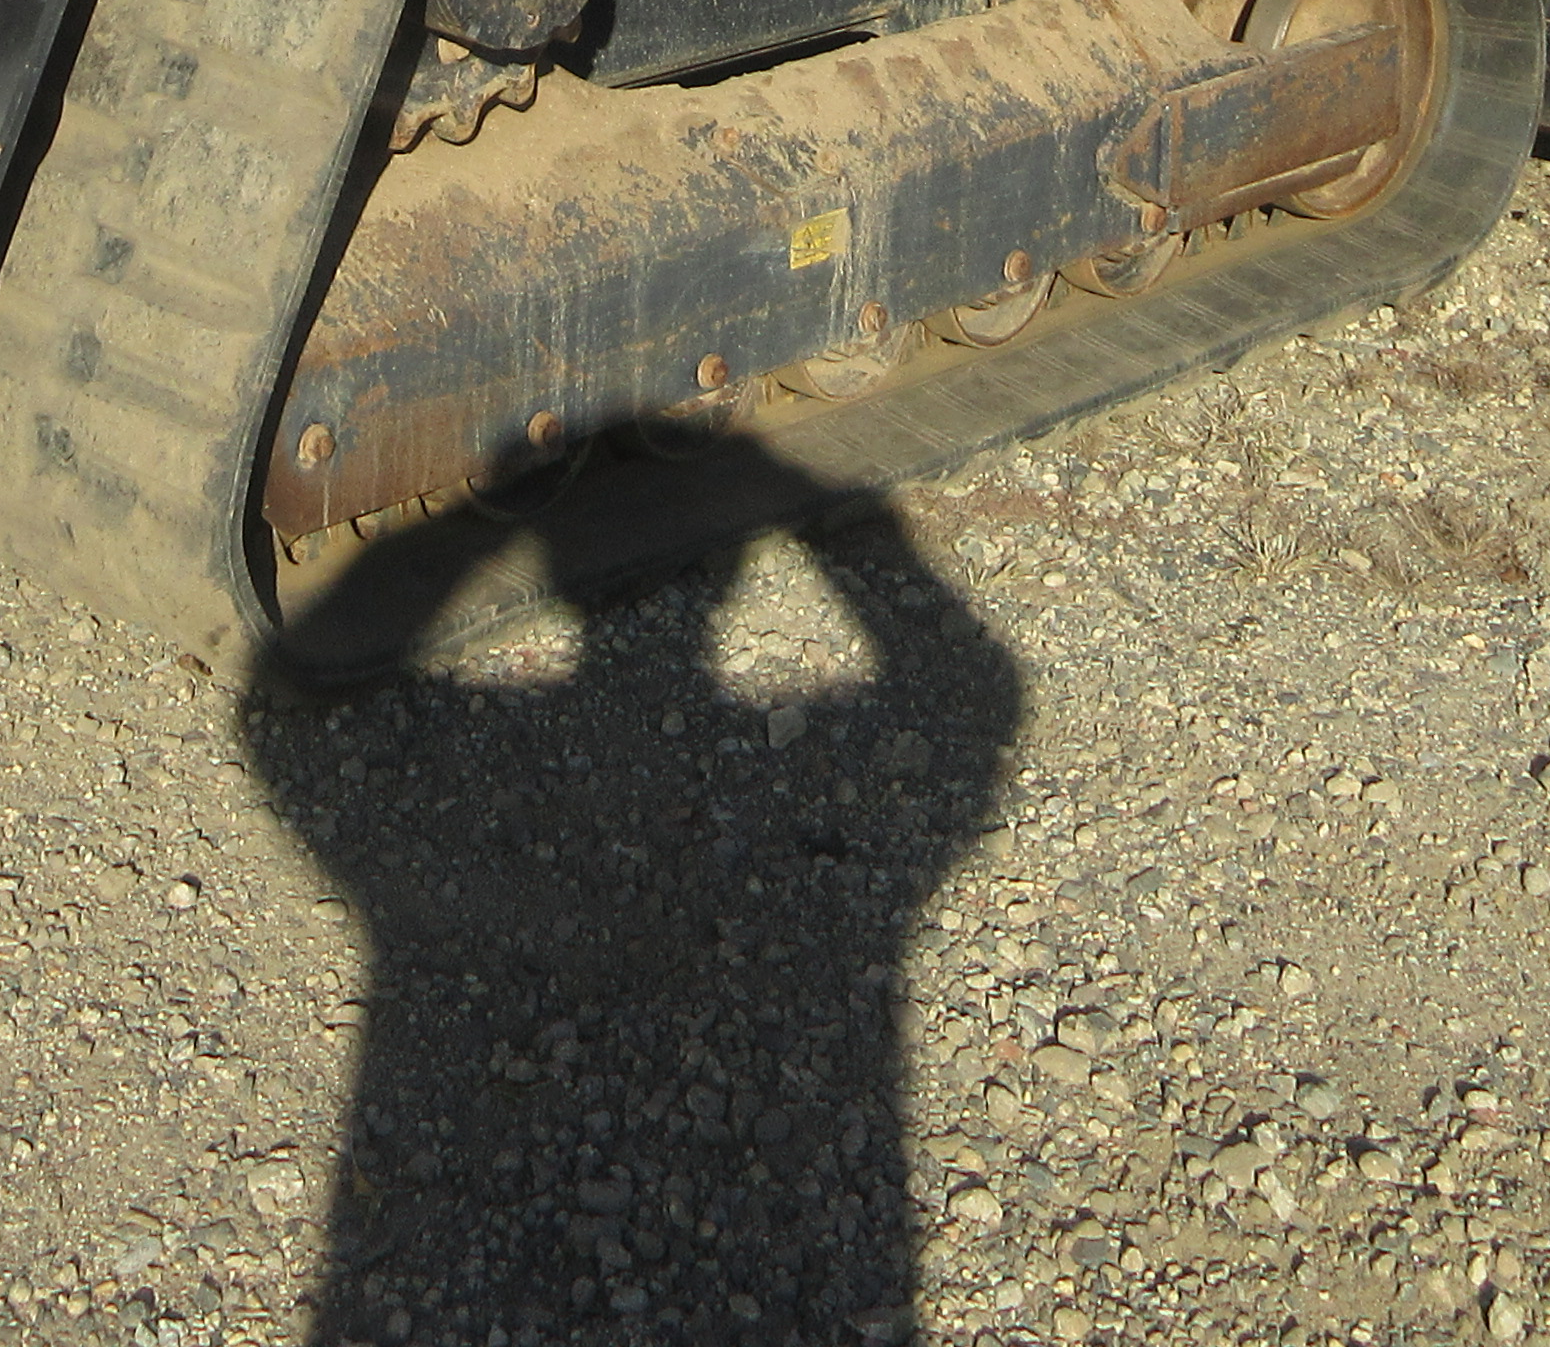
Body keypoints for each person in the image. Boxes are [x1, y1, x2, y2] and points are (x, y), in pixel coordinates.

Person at [245, 446, 1023, 1347]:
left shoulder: (486, 753)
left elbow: (281, 732)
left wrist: (482, 521)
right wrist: (814, 503)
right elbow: (977, 695)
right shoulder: (817, 772)